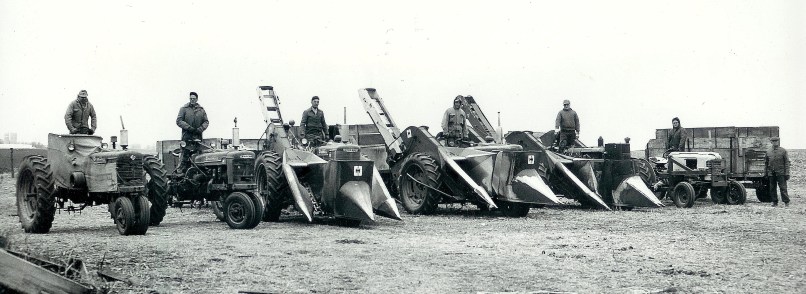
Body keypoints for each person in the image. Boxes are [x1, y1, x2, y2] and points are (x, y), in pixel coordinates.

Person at [175, 92, 209, 172]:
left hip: (198, 137)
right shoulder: (184, 109)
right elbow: (179, 121)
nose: (192, 100)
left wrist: (200, 129)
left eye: (194, 98)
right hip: (187, 137)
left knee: (199, 157)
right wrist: (189, 128)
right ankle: (180, 173)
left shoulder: (201, 110)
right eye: (191, 98)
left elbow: (206, 122)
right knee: (184, 156)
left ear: (196, 99)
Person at [765, 137, 791, 207]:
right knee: (772, 188)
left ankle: (786, 202)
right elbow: (766, 163)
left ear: (778, 142)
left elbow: (787, 163)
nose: (775, 142)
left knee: (783, 188)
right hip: (771, 173)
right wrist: (766, 173)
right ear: (771, 142)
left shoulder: (783, 151)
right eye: (773, 141)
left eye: (776, 141)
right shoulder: (768, 151)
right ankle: (774, 202)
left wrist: (787, 173)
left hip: (781, 173)